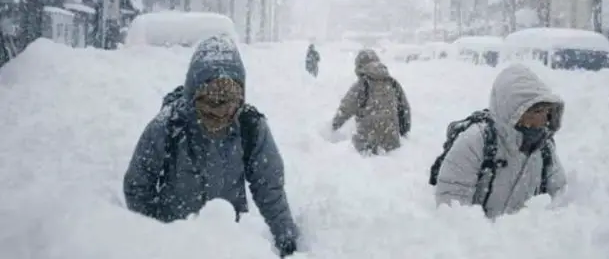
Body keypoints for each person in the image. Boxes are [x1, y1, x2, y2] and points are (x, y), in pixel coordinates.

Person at [123, 35, 299, 257]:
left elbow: (269, 188)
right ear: (193, 93)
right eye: (211, 100)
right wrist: (154, 235)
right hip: (175, 247)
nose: (220, 111)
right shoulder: (168, 126)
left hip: (227, 246)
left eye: (229, 100)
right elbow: (138, 185)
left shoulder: (250, 127)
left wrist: (286, 238)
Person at [434, 64, 567, 218]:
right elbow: (452, 208)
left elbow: (561, 196)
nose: (544, 119)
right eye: (536, 111)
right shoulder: (475, 143)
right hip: (475, 239)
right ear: (513, 110)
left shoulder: (544, 148)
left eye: (547, 112)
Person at [331, 49, 411, 154]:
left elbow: (345, 109)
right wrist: (403, 132)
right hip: (392, 143)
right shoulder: (392, 83)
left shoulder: (362, 84)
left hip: (368, 144)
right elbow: (405, 110)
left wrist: (333, 126)